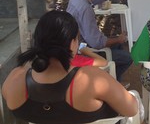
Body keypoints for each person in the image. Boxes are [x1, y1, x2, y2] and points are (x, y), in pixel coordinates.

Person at [1, 10, 138, 124]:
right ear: (72, 43)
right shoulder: (91, 79)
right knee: (135, 97)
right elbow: (132, 109)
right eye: (77, 39)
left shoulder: (16, 78)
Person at [67, 0, 136, 82]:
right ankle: (111, 83)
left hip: (78, 44)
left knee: (117, 47)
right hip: (83, 49)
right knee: (128, 58)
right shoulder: (85, 8)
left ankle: (114, 77)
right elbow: (96, 42)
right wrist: (119, 39)